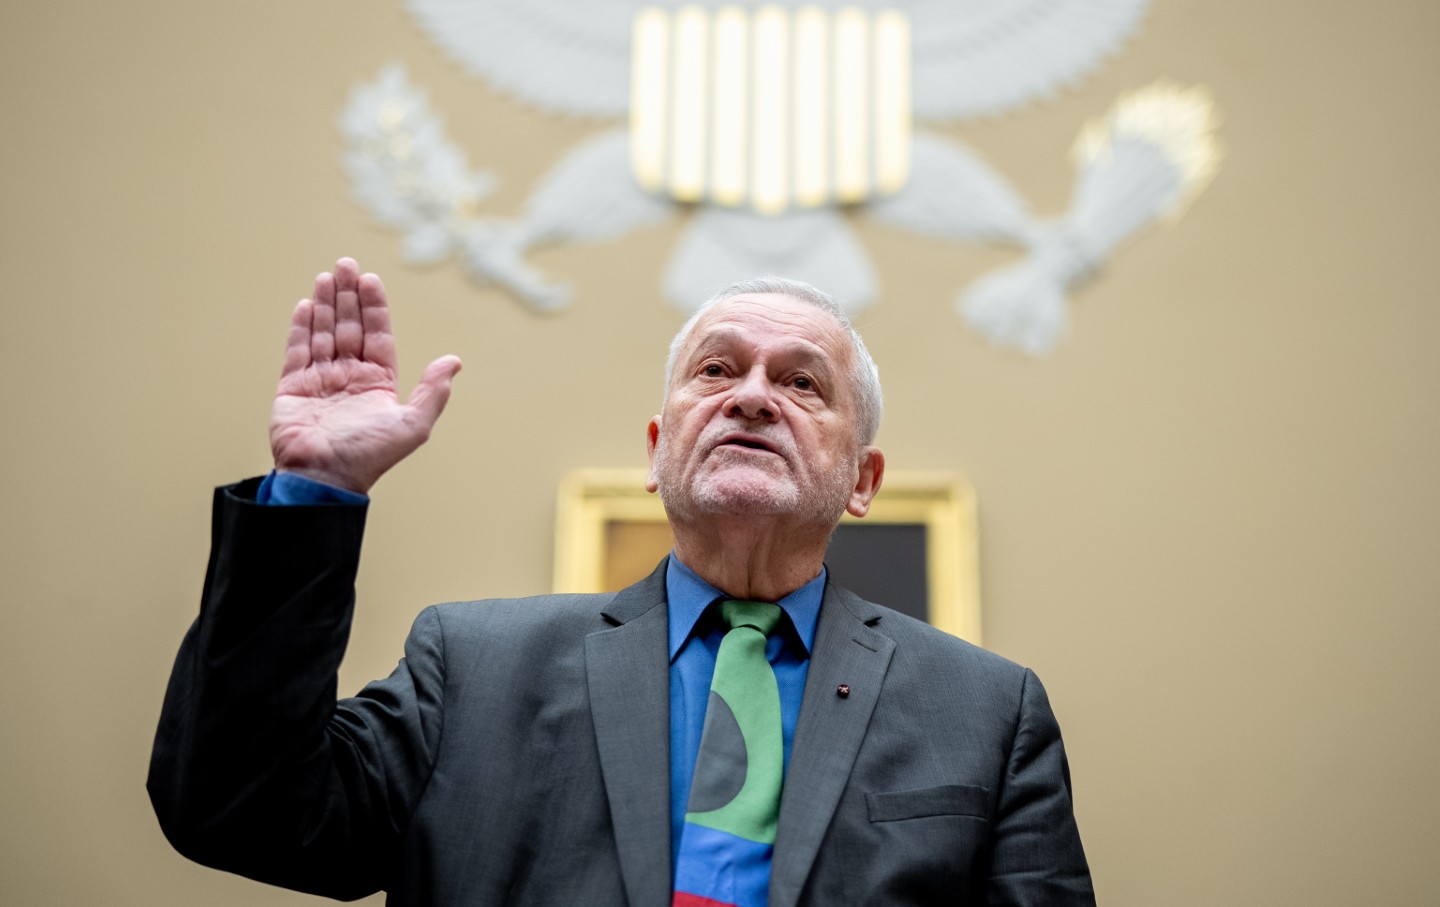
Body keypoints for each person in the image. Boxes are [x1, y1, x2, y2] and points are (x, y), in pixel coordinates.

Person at [149, 258, 1095, 906]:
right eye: (716, 369)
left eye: (803, 384)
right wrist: (316, 490)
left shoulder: (987, 712)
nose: (753, 394)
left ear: (864, 483)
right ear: (657, 452)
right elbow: (238, 811)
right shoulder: (471, 667)